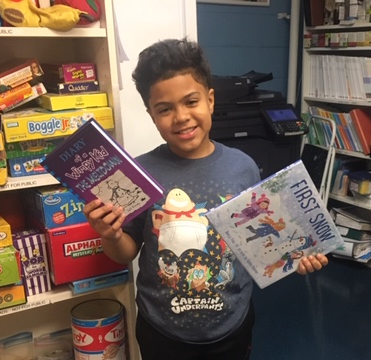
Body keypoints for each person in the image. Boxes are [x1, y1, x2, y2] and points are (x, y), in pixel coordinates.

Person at [83, 38, 329, 360]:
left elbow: (260, 242)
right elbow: (124, 252)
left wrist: (294, 254)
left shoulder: (243, 167)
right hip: (162, 330)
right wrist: (110, 234)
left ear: (210, 100)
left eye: (191, 102)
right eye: (165, 109)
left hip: (232, 327)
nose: (181, 117)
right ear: (151, 115)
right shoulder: (138, 174)